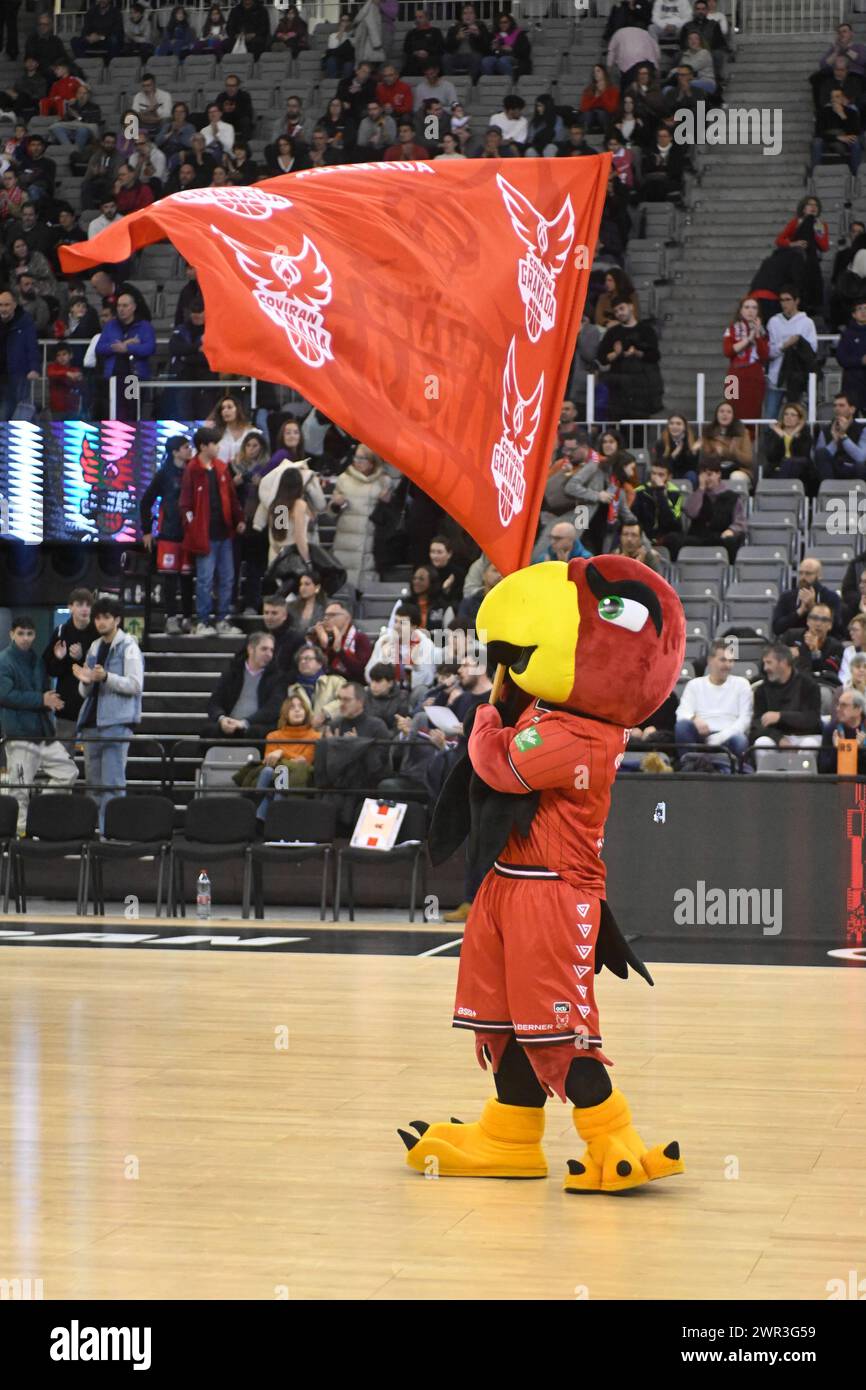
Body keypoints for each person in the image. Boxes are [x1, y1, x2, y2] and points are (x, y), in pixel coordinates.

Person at [0, 615, 79, 833]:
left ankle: (38, 812)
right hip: (19, 735)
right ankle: (19, 836)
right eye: (21, 634)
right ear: (12, 634)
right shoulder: (4, 660)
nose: (25, 638)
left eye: (30, 634)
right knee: (19, 790)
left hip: (43, 733)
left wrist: (49, 701)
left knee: (68, 771)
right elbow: (5, 695)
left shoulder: (37, 660)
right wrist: (42, 700)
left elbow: (45, 687)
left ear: (34, 635)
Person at [73, 597, 144, 829]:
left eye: (106, 618)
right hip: (91, 721)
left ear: (117, 620)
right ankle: (94, 831)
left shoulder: (129, 646)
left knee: (112, 783)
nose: (100, 622)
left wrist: (106, 677)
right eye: (97, 618)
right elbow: (86, 690)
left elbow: (135, 685)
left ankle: (111, 831)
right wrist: (85, 681)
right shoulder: (94, 646)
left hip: (116, 722)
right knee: (93, 783)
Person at [180, 425, 245, 637]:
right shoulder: (192, 469)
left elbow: (232, 498)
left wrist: (239, 519)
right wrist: (193, 526)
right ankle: (202, 621)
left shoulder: (221, 467)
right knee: (206, 579)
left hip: (225, 533)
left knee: (227, 577)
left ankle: (223, 619)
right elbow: (185, 503)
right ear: (203, 446)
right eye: (215, 444)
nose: (218, 447)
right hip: (205, 535)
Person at [139, 434, 195, 635]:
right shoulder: (164, 474)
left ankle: (187, 618)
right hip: (168, 535)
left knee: (188, 579)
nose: (190, 450)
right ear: (175, 452)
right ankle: (171, 618)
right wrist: (146, 531)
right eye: (186, 447)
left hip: (190, 535)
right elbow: (145, 502)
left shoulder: (194, 471)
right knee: (170, 580)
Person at [674, 639, 752, 765]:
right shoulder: (695, 684)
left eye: (731, 661)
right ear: (710, 661)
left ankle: (734, 771)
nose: (728, 665)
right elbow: (682, 712)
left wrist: (720, 737)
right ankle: (689, 767)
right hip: (700, 734)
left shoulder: (742, 684)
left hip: (729, 734)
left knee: (740, 740)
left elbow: (745, 720)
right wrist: (694, 718)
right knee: (682, 726)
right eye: (723, 660)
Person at [244, 691, 320, 815]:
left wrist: (281, 752)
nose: (297, 710)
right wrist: (283, 756)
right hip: (275, 776)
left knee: (281, 772)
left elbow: (305, 761)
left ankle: (259, 813)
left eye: (300, 707)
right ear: (285, 713)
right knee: (271, 771)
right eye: (292, 707)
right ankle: (272, 812)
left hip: (298, 776)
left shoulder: (315, 736)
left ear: (306, 711)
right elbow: (269, 761)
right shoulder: (273, 736)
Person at [202, 629, 284, 739]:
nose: (269, 654)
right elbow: (214, 703)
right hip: (229, 723)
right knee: (208, 731)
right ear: (250, 649)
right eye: (264, 649)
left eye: (271, 650)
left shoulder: (277, 677)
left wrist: (245, 722)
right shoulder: (232, 672)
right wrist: (222, 719)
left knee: (258, 733)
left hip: (255, 726)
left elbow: (272, 709)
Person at [750, 643, 822, 763]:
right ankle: (766, 781)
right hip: (777, 737)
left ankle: (804, 781)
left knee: (810, 744)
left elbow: (812, 719)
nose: (765, 668)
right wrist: (779, 739)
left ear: (783, 662)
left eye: (769, 663)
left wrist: (780, 716)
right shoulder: (762, 690)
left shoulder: (809, 685)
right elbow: (757, 724)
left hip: (805, 736)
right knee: (762, 743)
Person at [94, 288, 156, 423]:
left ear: (133, 307)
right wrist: (117, 347)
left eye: (125, 306)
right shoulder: (110, 325)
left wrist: (128, 348)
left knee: (132, 411)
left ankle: (133, 439)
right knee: (114, 411)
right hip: (114, 377)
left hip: (133, 377)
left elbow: (149, 348)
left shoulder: (144, 326)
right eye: (119, 306)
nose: (121, 309)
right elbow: (99, 348)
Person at [597, 297, 663, 422]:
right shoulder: (612, 333)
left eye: (622, 308)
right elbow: (601, 357)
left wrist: (637, 353)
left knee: (639, 430)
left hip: (641, 390)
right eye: (616, 311)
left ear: (631, 307)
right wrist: (615, 354)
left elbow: (655, 355)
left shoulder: (646, 330)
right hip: (618, 390)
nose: (619, 313)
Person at [679, 456, 746, 561]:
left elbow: (740, 522)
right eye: (703, 475)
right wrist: (701, 489)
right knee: (676, 540)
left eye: (709, 474)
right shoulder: (697, 495)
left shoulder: (732, 497)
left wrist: (731, 530)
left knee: (731, 542)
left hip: (720, 537)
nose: (706, 479)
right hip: (699, 537)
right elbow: (691, 512)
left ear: (718, 474)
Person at [765, 286, 818, 417]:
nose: (784, 303)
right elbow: (769, 351)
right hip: (775, 376)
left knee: (796, 415)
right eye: (782, 300)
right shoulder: (773, 322)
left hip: (797, 375)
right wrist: (786, 345)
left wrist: (798, 345)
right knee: (770, 416)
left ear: (796, 301)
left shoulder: (807, 322)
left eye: (788, 299)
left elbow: (812, 350)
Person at [365, 602, 437, 693]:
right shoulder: (384, 641)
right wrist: (383, 661)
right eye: (396, 621)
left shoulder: (425, 644)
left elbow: (427, 681)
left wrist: (416, 665)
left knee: (421, 691)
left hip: (411, 693)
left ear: (414, 627)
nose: (396, 626)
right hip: (387, 691)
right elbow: (368, 675)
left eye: (402, 623)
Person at [722, 296, 768, 433]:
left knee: (752, 411)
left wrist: (757, 335)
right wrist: (749, 339)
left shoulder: (763, 331)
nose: (750, 311)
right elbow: (728, 351)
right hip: (733, 375)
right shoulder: (731, 329)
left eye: (754, 308)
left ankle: (750, 445)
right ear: (740, 310)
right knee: (730, 408)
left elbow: (765, 355)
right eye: (747, 307)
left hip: (754, 375)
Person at [772, 556, 843, 638]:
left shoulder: (831, 597)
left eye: (808, 573)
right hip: (792, 644)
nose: (803, 577)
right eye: (801, 573)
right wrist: (799, 612)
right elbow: (777, 628)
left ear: (819, 576)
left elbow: (837, 629)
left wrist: (812, 607)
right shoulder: (786, 597)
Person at [780, 603, 845, 686]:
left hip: (820, 686)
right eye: (815, 618)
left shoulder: (836, 647)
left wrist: (815, 652)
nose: (818, 623)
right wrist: (786, 656)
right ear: (808, 621)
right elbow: (771, 660)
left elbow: (829, 676)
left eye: (824, 620)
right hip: (789, 683)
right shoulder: (791, 636)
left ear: (830, 625)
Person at [310, 600, 372, 684]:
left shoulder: (360, 638)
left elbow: (361, 671)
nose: (326, 618)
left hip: (352, 685)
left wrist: (339, 651)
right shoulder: (323, 637)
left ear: (347, 618)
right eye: (326, 615)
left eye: (332, 615)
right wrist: (323, 646)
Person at [0, 286, 39, 421]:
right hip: (2, 375)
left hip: (19, 376)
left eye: (7, 305)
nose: (3, 308)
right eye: (0, 305)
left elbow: (32, 346)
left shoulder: (25, 322)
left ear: (14, 305)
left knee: (15, 414)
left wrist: (34, 368)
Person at [631, 459, 684, 552]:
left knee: (675, 538)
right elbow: (635, 519)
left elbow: (674, 524)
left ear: (669, 477)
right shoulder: (640, 492)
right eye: (653, 473)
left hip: (665, 536)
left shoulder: (675, 494)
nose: (655, 478)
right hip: (645, 534)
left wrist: (661, 493)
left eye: (661, 475)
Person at [813, 392, 866, 482]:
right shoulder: (826, 429)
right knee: (821, 453)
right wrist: (835, 441)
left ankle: (853, 496)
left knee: (860, 466)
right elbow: (819, 458)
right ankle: (829, 492)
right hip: (832, 469)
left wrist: (843, 435)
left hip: (853, 468)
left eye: (841, 405)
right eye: (835, 405)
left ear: (852, 409)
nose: (837, 409)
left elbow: (861, 457)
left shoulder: (863, 429)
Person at [288, 644, 345, 728]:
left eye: (308, 658)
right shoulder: (292, 690)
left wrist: (325, 713)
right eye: (300, 659)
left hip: (331, 735)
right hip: (304, 737)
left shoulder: (335, 681)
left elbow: (347, 701)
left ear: (320, 663)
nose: (303, 661)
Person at [698, 402, 753, 483]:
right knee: (706, 477)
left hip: (739, 470)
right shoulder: (708, 432)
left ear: (733, 416)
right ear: (716, 415)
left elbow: (748, 461)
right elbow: (704, 460)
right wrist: (717, 454)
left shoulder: (742, 432)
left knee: (736, 477)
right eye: (722, 411)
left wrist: (734, 452)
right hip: (714, 469)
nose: (725, 414)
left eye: (728, 412)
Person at [818, 687, 866, 773]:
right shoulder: (831, 729)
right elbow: (823, 770)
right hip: (836, 784)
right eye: (838, 704)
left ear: (858, 709)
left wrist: (861, 750)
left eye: (844, 705)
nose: (838, 709)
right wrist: (837, 750)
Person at [763, 402, 813, 483]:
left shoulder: (805, 434)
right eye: (786, 414)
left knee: (792, 462)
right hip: (778, 467)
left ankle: (782, 489)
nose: (788, 417)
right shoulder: (774, 433)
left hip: (800, 469)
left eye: (793, 415)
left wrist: (790, 435)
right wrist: (781, 437)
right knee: (784, 464)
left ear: (799, 419)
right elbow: (770, 455)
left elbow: (803, 454)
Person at [835, 300, 866, 414]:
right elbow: (841, 358)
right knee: (850, 418)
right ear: (854, 314)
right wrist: (860, 361)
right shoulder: (847, 334)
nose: (863, 312)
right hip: (852, 384)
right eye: (860, 309)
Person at [652, 412, 699, 481]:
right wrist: (673, 455)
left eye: (678, 424)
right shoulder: (661, 443)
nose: (674, 426)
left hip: (686, 474)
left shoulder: (693, 441)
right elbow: (661, 466)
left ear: (685, 427)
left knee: (692, 474)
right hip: (668, 474)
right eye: (671, 424)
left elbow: (694, 467)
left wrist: (693, 452)